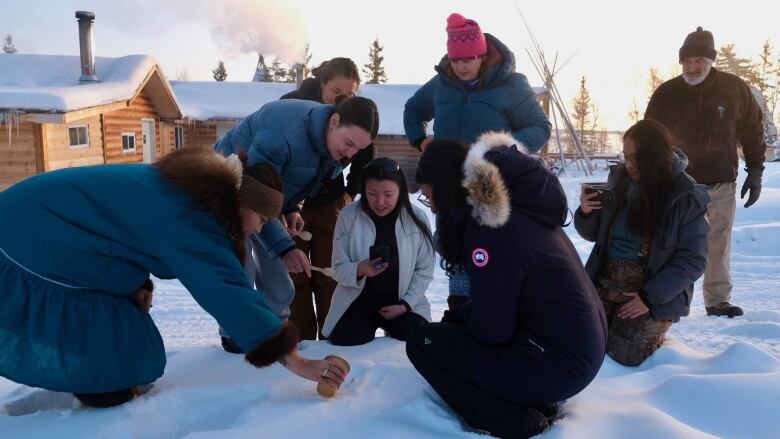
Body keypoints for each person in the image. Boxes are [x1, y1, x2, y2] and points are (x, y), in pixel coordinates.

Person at [0, 148, 347, 408]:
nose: (258, 228)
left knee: (134, 350)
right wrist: (298, 361)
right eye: (260, 217)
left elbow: (124, 232)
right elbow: (228, 293)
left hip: (40, 225)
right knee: (117, 363)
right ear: (240, 203)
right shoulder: (193, 219)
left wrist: (137, 286)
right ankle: (99, 397)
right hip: (30, 241)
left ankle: (105, 382)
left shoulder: (185, 191)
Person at [406, 133, 607, 438]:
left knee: (423, 344)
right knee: (457, 334)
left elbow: (493, 328)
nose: (431, 207)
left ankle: (513, 420)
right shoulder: (520, 207)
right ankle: (534, 397)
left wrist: (463, 314)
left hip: (558, 364)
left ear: (446, 191)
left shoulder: (489, 229)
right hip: (575, 355)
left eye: (429, 195)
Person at [403, 12, 552, 310]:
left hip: (492, 185)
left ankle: (495, 307)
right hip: (450, 185)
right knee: (455, 250)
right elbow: (413, 110)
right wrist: (421, 140)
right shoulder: (441, 84)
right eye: (456, 60)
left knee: (490, 249)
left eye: (468, 59)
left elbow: (540, 128)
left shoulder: (512, 85)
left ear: (482, 55)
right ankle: (460, 306)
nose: (461, 66)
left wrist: (502, 152)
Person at [214, 96, 379, 352]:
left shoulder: (329, 141)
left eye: (357, 150)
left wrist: (292, 207)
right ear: (334, 121)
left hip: (261, 199)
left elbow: (292, 180)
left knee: (279, 279)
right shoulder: (281, 136)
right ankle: (235, 339)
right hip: (229, 191)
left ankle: (274, 331)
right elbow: (254, 196)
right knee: (241, 271)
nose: (350, 154)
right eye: (348, 144)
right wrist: (284, 247)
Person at [645, 26, 766, 318]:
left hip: (720, 181)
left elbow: (752, 131)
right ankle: (659, 297)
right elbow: (648, 134)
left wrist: (756, 170)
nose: (692, 66)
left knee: (717, 241)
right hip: (677, 183)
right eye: (686, 61)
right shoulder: (667, 93)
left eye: (698, 60)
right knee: (667, 242)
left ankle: (717, 300)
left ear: (710, 61)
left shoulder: (734, 89)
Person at [575, 120, 710, 366]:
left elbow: (694, 258)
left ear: (656, 156)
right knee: (582, 342)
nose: (629, 164)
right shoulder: (619, 179)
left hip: (650, 289)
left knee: (623, 356)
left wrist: (648, 298)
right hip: (605, 279)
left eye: (636, 158)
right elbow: (594, 235)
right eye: (625, 157)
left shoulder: (685, 195)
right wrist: (586, 213)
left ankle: (660, 353)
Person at [280, 58, 376, 340]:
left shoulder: (353, 114)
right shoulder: (295, 105)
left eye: (350, 93)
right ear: (322, 83)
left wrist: (351, 189)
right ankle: (301, 339)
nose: (342, 98)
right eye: (336, 90)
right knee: (295, 274)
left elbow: (366, 152)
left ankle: (333, 332)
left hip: (329, 202)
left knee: (330, 272)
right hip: (289, 204)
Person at [322, 158, 434, 345]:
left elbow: (424, 270)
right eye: (372, 193)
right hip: (358, 302)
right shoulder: (349, 215)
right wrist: (359, 269)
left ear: (401, 191)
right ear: (363, 191)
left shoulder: (417, 218)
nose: (380, 202)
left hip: (402, 302)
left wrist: (406, 304)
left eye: (388, 194)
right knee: (347, 339)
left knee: (418, 338)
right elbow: (338, 268)